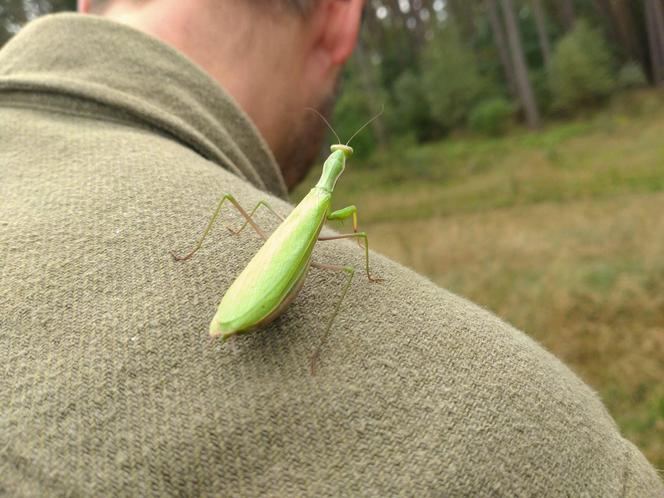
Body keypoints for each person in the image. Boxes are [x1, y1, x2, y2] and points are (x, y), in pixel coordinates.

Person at [0, 0, 661, 495]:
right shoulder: (571, 457)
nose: (338, 152)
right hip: (254, 299)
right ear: (338, 22)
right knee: (335, 255)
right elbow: (318, 265)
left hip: (259, 284)